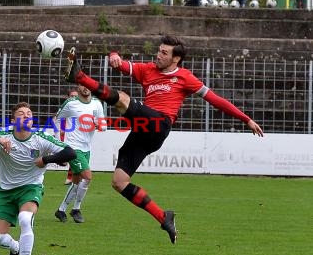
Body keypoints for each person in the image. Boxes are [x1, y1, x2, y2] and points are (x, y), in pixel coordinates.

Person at [62, 36, 263, 244]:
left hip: (159, 125)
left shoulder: (185, 77)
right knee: (119, 182)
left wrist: (245, 119)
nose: (158, 55)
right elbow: (120, 63)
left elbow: (216, 100)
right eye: (159, 50)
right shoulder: (147, 69)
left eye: (164, 53)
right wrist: (113, 56)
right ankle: (163, 217)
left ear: (176, 59)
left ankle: (79, 77)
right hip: (141, 131)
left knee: (122, 99)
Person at [0, 102, 76, 255]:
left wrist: (46, 159)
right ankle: (15, 248)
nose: (26, 116)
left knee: (25, 219)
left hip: (31, 187)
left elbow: (70, 153)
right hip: (5, 191)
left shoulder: (40, 138)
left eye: (29, 114)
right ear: (13, 120)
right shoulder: (4, 137)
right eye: (21, 114)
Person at [54, 85, 106, 223]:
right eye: (83, 84)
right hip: (72, 147)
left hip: (86, 148)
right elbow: (57, 119)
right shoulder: (71, 103)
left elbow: (103, 125)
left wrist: (99, 125)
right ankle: (76, 209)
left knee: (76, 181)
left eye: (88, 84)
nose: (86, 87)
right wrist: (59, 143)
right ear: (78, 86)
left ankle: (61, 210)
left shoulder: (97, 103)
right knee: (87, 177)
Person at [60, 88, 78, 185]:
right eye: (72, 96)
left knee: (74, 155)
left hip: (77, 136)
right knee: (68, 157)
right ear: (68, 97)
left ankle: (71, 177)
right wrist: (62, 131)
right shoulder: (66, 108)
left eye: (76, 96)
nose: (74, 98)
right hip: (67, 135)